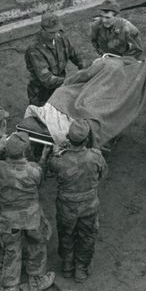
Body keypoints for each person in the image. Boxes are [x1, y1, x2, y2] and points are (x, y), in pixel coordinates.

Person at [0, 134, 55, 291]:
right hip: (31, 218)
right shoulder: (33, 170)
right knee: (37, 245)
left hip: (8, 219)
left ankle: (10, 290)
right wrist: (44, 157)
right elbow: (40, 181)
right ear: (25, 152)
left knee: (12, 250)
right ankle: (36, 281)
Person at [46, 119, 108, 282]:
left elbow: (49, 168)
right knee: (87, 237)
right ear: (86, 139)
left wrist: (56, 152)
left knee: (66, 234)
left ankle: (67, 266)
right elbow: (102, 174)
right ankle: (81, 269)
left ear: (68, 137)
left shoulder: (59, 160)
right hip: (89, 206)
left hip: (66, 207)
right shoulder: (95, 157)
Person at [25, 12, 88, 107]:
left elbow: (76, 55)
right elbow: (47, 79)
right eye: (51, 32)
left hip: (60, 89)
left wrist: (86, 69)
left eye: (56, 31)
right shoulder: (34, 49)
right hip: (42, 94)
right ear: (43, 29)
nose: (55, 35)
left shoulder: (60, 37)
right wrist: (72, 81)